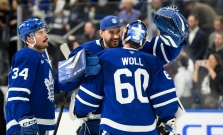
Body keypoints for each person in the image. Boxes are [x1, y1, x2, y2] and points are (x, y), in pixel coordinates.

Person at [61, 5, 189, 135]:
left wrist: (176, 41)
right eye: (111, 32)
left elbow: (165, 51)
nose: (116, 36)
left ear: (124, 33)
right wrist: (77, 72)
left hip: (112, 122)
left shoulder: (108, 55)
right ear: (101, 33)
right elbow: (64, 80)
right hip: (134, 124)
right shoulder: (149, 60)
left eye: (118, 31)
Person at [4, 18, 80, 135]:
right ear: (29, 38)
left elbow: (46, 87)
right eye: (40, 33)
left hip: (36, 124)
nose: (46, 35)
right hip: (24, 125)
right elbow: (16, 91)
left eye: (45, 31)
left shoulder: (41, 59)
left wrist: (70, 80)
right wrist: (24, 118)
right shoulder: (27, 55)